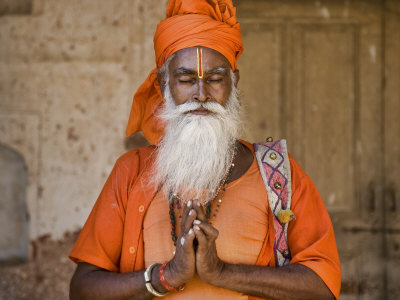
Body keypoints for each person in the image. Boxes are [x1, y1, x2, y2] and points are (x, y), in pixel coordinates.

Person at [69, 1, 341, 299]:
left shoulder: (277, 174)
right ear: (164, 84)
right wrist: (167, 276)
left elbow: (323, 288)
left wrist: (222, 273)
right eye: (186, 80)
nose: (200, 95)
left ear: (233, 82)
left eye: (215, 79)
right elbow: (83, 290)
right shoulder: (132, 171)